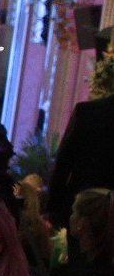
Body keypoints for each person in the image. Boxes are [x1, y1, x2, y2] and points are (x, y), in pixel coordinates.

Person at [47, 87, 114, 227]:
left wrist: (52, 210)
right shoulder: (86, 112)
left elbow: (63, 164)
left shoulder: (87, 113)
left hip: (81, 210)